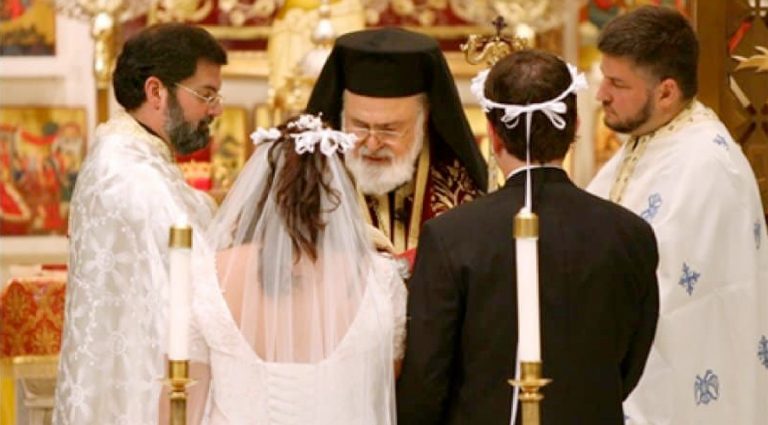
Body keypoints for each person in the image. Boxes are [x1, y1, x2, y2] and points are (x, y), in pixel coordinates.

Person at [396, 49, 660, 424]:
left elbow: (426, 380)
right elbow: (630, 363)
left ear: (492, 134)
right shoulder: (631, 234)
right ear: (574, 126)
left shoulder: (449, 236)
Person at [587, 6, 768, 424]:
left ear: (666, 93)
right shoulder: (650, 138)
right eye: (604, 78)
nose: (601, 94)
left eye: (617, 83)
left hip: (678, 391)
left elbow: (671, 290)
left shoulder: (705, 163)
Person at [53, 23, 227, 425]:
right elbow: (201, 270)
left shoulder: (128, 154)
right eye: (206, 94)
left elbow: (192, 210)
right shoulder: (131, 174)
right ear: (156, 92)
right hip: (144, 394)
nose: (215, 109)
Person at [189, 113, 407, 423]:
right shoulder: (380, 278)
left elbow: (186, 401)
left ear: (260, 188)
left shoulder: (208, 274)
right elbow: (383, 387)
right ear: (341, 191)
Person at [306, 27, 488, 268]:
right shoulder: (311, 182)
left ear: (424, 119)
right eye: (359, 126)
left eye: (389, 130)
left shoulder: (461, 186)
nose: (372, 144)